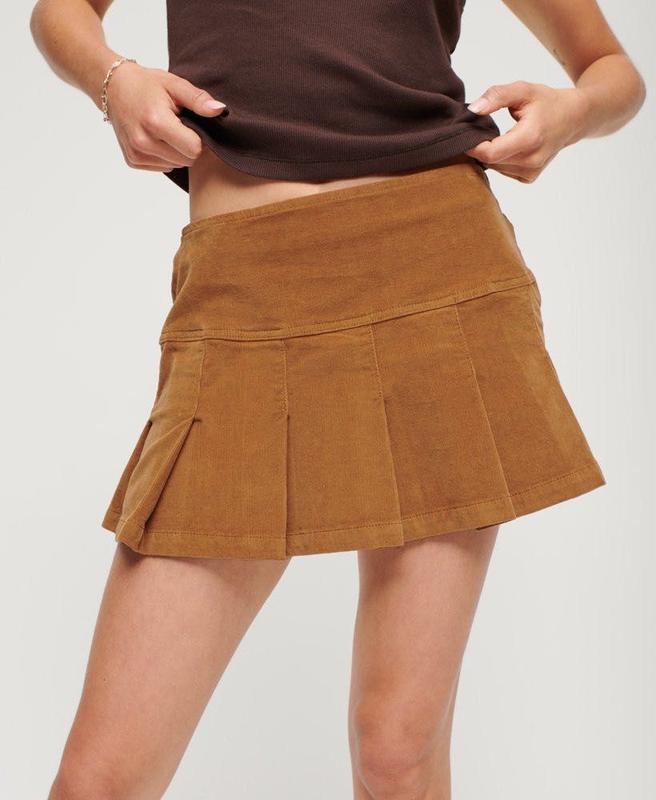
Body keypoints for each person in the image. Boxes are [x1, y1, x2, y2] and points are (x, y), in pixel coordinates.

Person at [30, 0, 644, 797]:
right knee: (98, 779)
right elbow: (60, 12)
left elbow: (612, 71)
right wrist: (112, 80)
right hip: (243, 294)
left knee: (397, 753)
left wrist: (573, 114)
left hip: (435, 273)